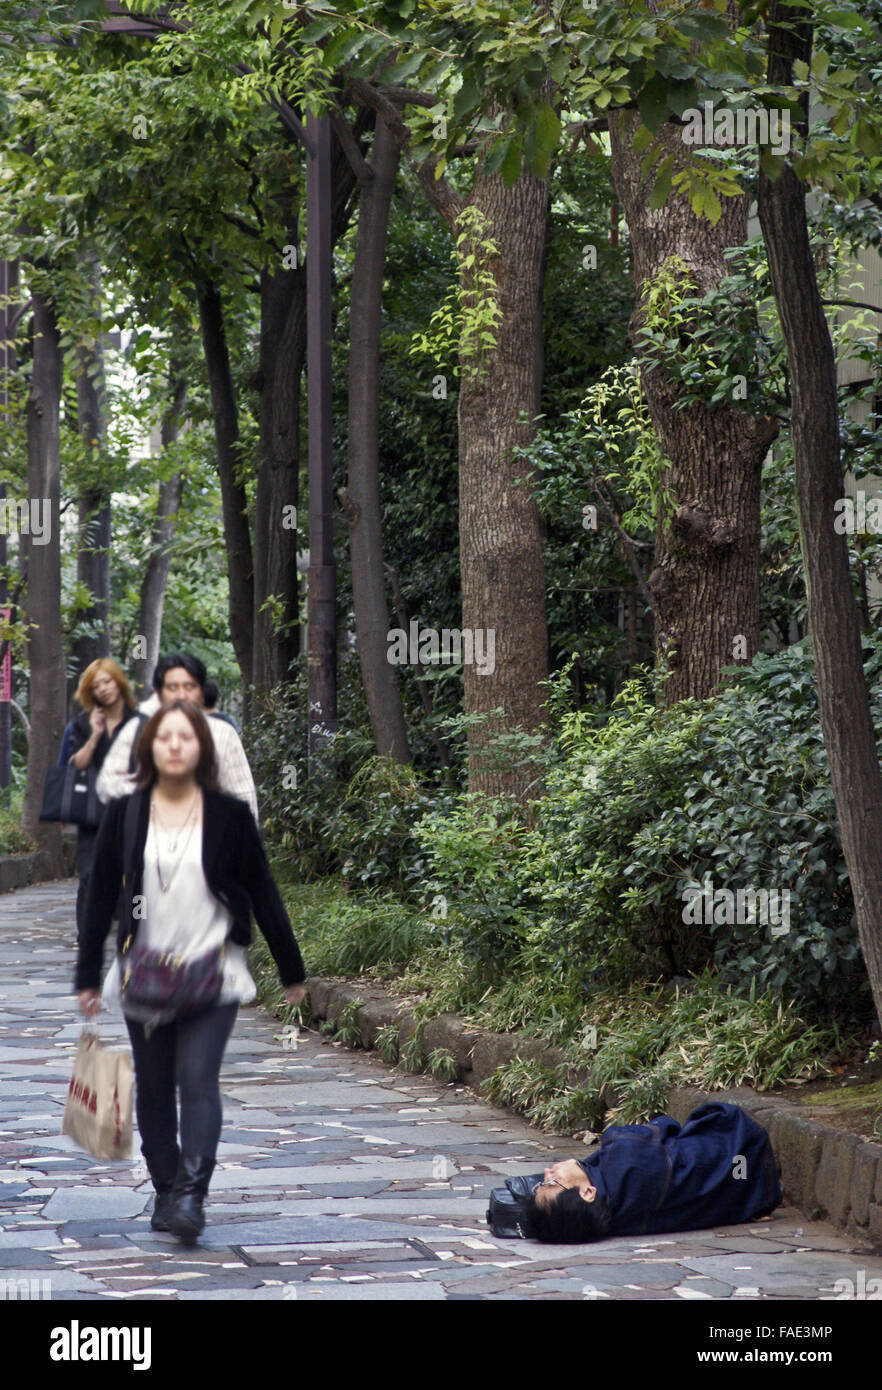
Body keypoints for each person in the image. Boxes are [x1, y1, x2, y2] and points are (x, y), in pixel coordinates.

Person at [75, 700, 307, 1242]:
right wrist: (87, 974)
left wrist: (291, 967)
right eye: (164, 737)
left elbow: (263, 890)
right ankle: (165, 1187)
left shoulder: (228, 815)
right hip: (144, 975)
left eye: (186, 737)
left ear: (201, 746)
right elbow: (102, 893)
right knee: (154, 1088)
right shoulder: (126, 812)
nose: (175, 745)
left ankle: (191, 1196)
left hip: (214, 971)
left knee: (197, 1079)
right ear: (149, 748)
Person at [500, 1102, 782, 1243]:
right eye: (551, 1181)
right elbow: (667, 1126)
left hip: (753, 1194)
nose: (548, 1170)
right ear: (587, 1193)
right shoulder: (623, 1156)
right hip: (744, 1144)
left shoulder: (616, 1222)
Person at [97, 653, 257, 821]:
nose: (181, 695)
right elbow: (107, 784)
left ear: (201, 692)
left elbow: (244, 796)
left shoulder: (222, 733)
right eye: (172, 688)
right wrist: (155, 793)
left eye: (189, 687)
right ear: (159, 694)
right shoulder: (139, 729)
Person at [65, 659, 142, 943]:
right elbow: (76, 765)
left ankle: (133, 937)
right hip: (93, 816)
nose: (104, 689)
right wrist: (95, 735)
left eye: (108, 681)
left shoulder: (138, 722)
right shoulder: (83, 725)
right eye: (97, 686)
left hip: (130, 814)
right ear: (91, 692)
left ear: (118, 682)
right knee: (88, 877)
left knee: (131, 878)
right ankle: (88, 940)